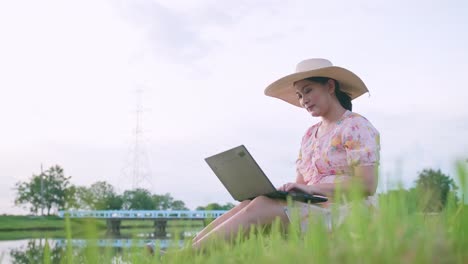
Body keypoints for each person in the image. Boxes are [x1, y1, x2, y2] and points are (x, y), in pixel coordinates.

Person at [181, 58, 380, 251]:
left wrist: (311, 190)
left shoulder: (355, 125)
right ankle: (184, 252)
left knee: (261, 206)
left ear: (329, 86)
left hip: (346, 211)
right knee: (251, 202)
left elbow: (367, 185)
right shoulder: (310, 135)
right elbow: (301, 184)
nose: (304, 100)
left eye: (308, 90)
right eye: (300, 95)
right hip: (314, 207)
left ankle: (183, 258)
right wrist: (290, 192)